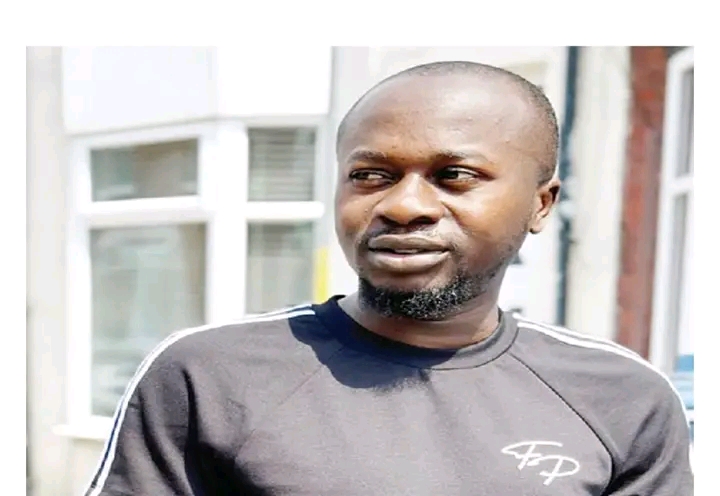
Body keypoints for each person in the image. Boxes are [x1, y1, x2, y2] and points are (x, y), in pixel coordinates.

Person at [85, 61, 693, 496]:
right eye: (371, 176)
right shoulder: (208, 375)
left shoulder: (622, 398)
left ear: (540, 203)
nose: (403, 206)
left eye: (454, 176)